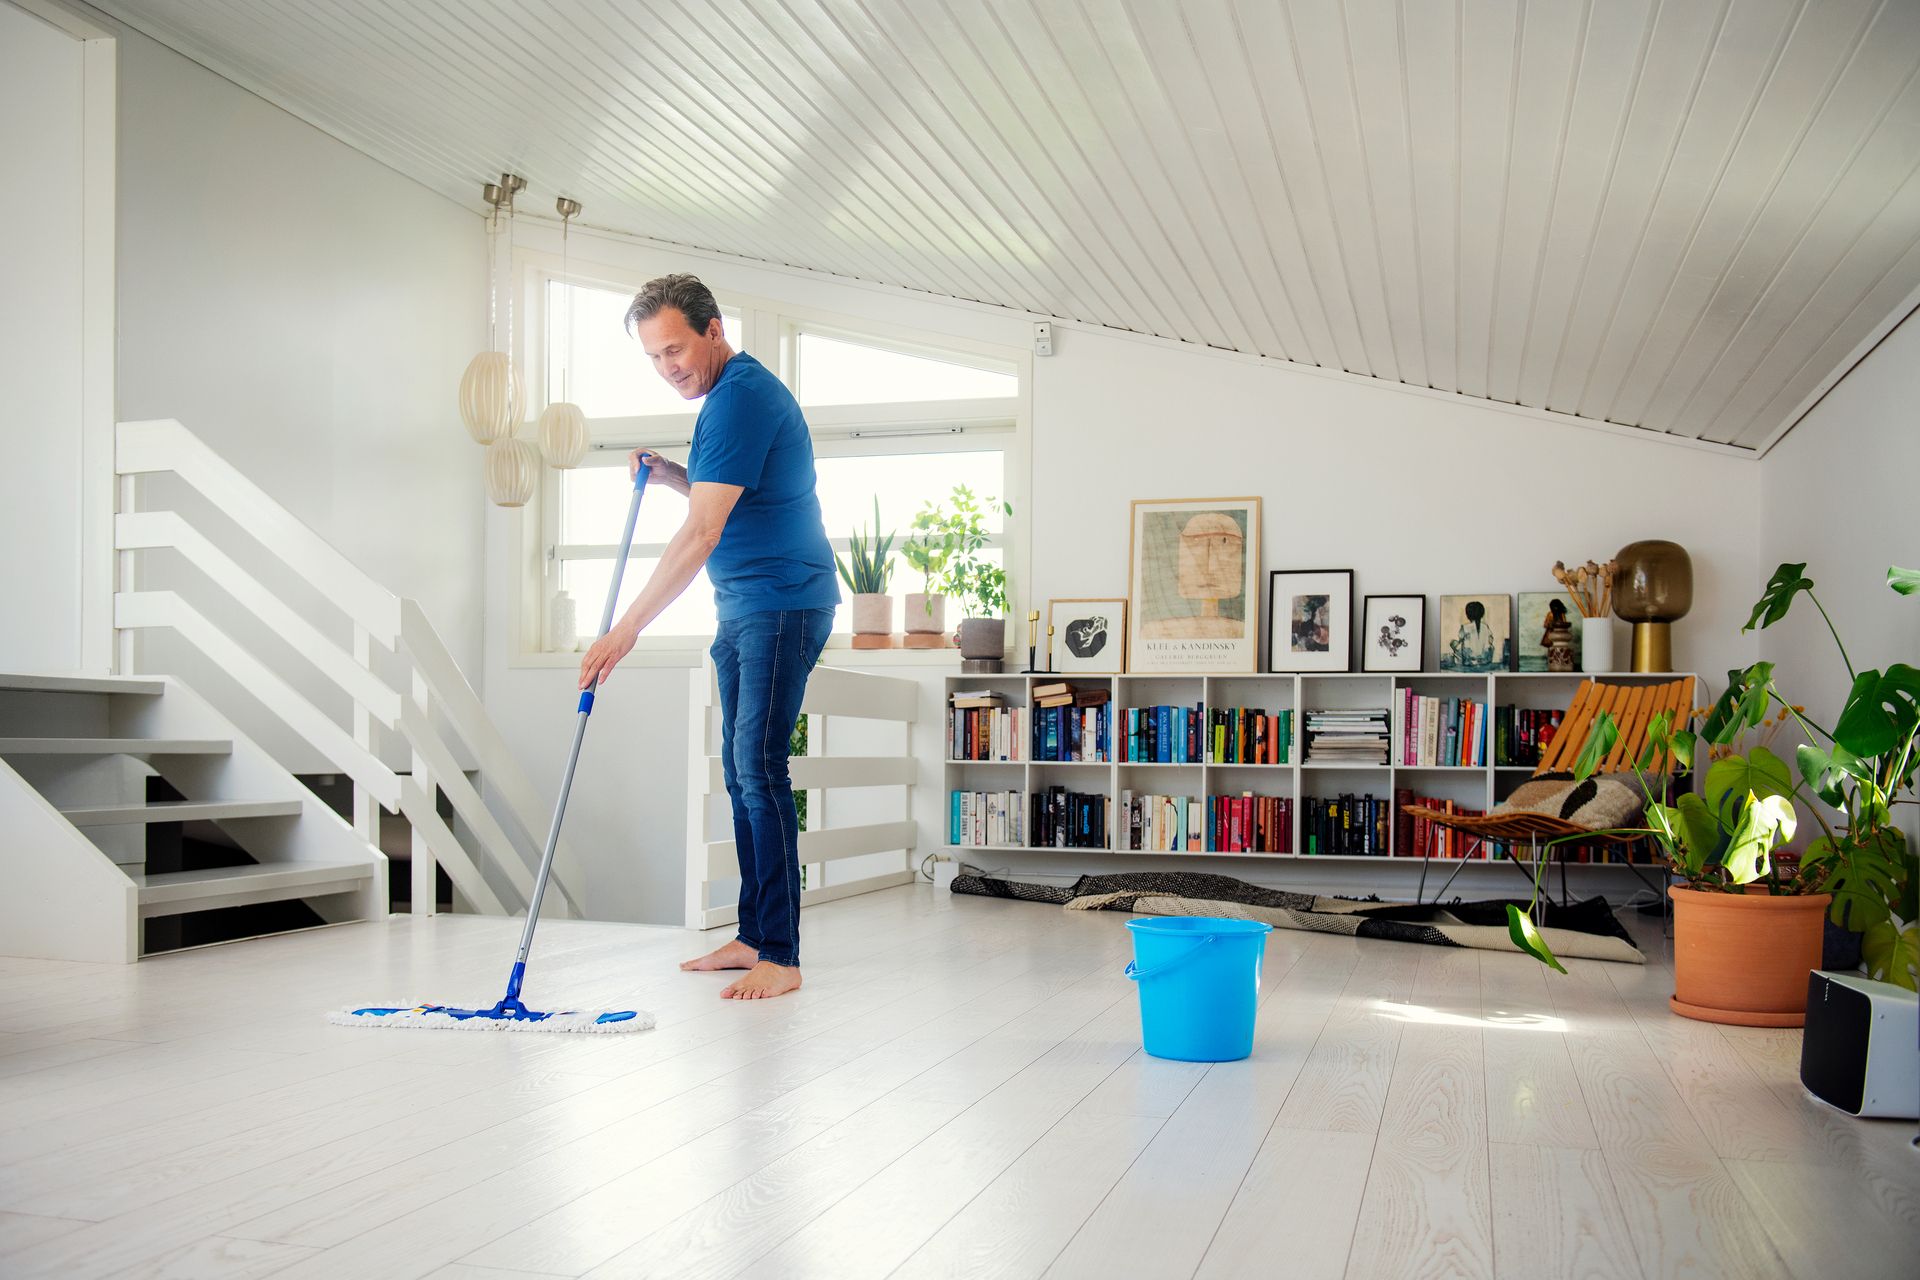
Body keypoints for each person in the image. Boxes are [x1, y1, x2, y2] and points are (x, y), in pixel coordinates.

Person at [576, 274, 837, 1001]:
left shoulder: (740, 398)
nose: (669, 368)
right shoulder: (730, 398)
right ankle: (754, 935)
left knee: (760, 768)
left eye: (676, 349)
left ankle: (780, 955)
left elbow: (704, 531)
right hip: (746, 607)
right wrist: (670, 476)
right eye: (655, 357)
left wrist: (624, 630)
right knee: (741, 769)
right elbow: (720, 492)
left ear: (713, 330)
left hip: (782, 604)